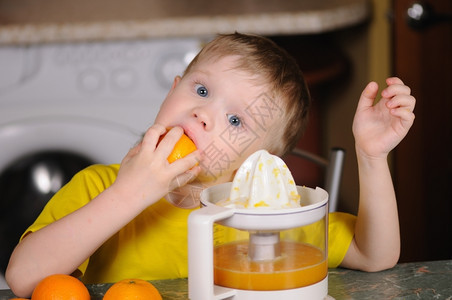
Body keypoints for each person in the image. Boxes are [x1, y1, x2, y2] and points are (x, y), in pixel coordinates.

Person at [5, 32, 415, 297]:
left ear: (258, 163)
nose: (203, 114)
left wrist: (372, 156)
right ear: (172, 91)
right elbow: (22, 278)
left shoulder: (266, 217)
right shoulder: (97, 186)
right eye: (201, 89)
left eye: (236, 120)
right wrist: (128, 194)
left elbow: (372, 254)